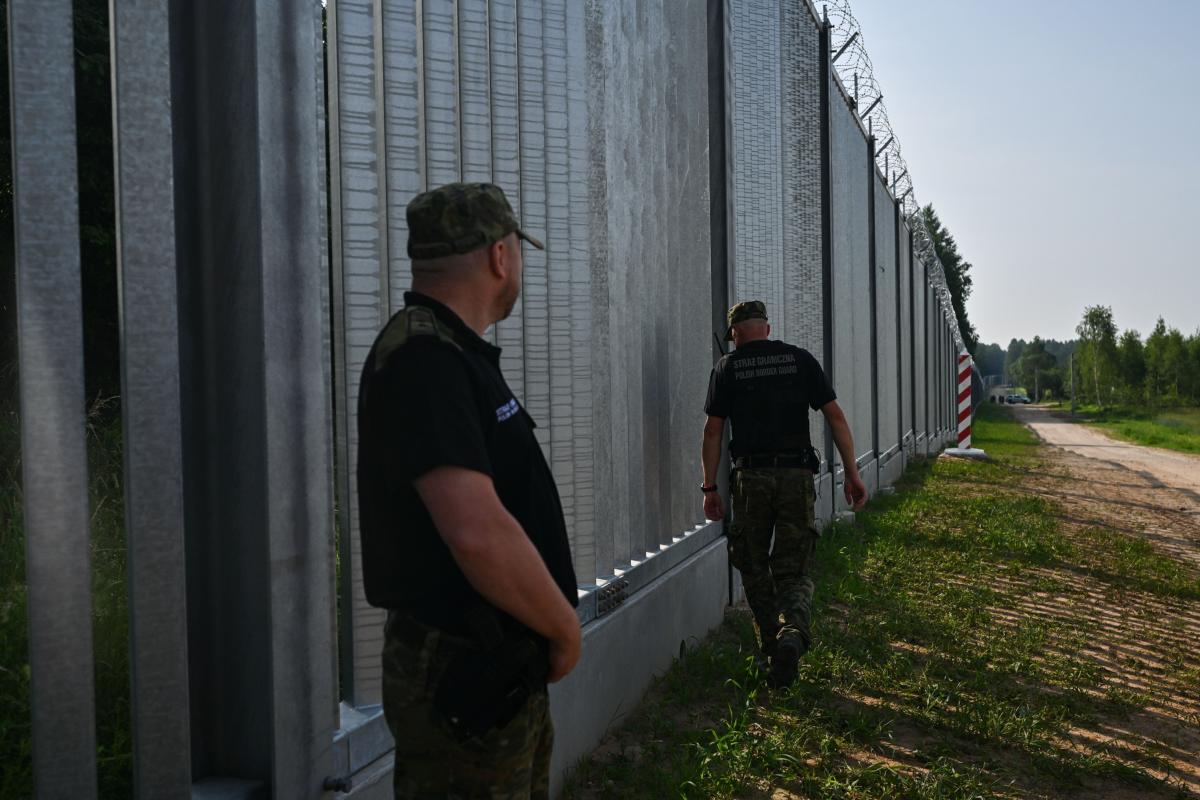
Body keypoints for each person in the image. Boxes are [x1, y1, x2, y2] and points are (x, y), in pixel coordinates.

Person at [356, 182, 582, 798]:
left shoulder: (449, 350)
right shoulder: (425, 358)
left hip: (493, 666)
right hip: (464, 668)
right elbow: (476, 530)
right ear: (499, 256)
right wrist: (564, 629)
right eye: (517, 249)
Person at [700, 300, 868, 688]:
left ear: (735, 333)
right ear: (767, 328)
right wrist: (852, 473)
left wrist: (709, 487)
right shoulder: (800, 360)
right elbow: (835, 417)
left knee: (753, 562)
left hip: (751, 478)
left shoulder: (727, 367)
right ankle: (792, 631)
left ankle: (773, 645)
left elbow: (712, 431)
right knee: (792, 567)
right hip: (796, 475)